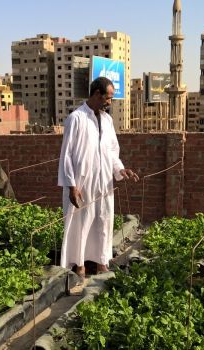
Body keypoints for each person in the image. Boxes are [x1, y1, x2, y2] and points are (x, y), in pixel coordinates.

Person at [57, 76, 139, 280]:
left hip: (104, 181)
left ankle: (102, 262)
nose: (110, 102)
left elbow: (112, 151)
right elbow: (66, 154)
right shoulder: (76, 118)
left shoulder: (108, 120)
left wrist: (121, 170)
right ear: (96, 94)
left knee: (104, 219)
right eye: (108, 98)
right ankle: (80, 265)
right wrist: (71, 185)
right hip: (83, 182)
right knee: (81, 223)